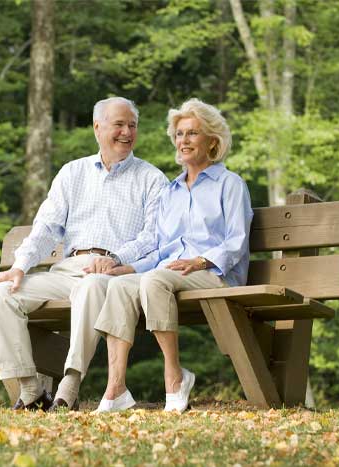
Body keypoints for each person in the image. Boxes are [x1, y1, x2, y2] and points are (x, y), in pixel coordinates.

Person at [0, 97, 168, 411]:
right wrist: (20, 267)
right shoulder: (73, 173)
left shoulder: (152, 179)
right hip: (68, 269)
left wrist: (115, 259)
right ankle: (30, 389)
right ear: (98, 128)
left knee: (91, 285)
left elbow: (152, 237)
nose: (127, 132)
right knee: (1, 294)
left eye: (132, 125)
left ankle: (69, 384)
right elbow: (45, 227)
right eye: (119, 124)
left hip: (116, 275)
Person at [93, 98, 253, 413]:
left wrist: (201, 260)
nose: (183, 141)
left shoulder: (230, 185)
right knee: (118, 286)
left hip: (216, 276)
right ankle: (116, 388)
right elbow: (159, 248)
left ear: (212, 142)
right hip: (169, 275)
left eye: (192, 133)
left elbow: (237, 241)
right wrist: (127, 268)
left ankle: (174, 376)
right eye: (179, 134)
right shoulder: (171, 192)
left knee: (154, 280)